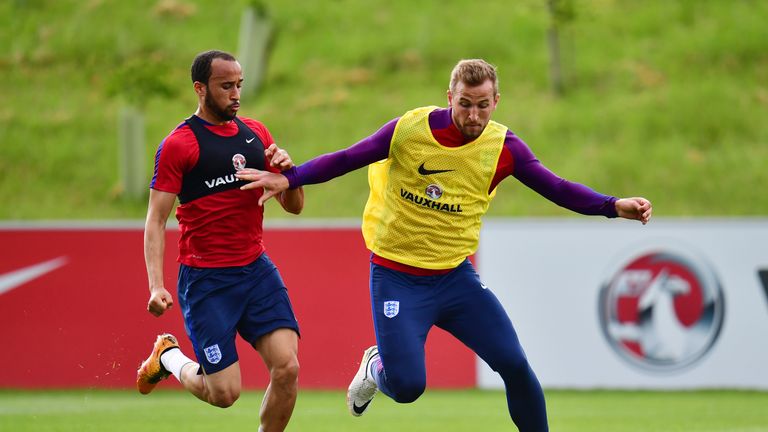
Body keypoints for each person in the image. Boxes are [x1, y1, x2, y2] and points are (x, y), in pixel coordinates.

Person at [235, 59, 652, 431]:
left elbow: (557, 188)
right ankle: (375, 365)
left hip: (456, 279)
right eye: (465, 103)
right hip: (396, 277)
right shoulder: (409, 130)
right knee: (409, 386)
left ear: (497, 101)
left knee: (516, 365)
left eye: (483, 104)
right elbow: (348, 157)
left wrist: (614, 206)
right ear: (448, 96)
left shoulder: (505, 148)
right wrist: (290, 178)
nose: (473, 114)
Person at [137, 49, 304, 432]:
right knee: (224, 393)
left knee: (288, 368)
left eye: (239, 85)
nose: (235, 94)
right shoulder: (180, 145)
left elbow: (293, 206)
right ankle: (169, 358)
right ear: (200, 89)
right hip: (207, 281)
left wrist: (288, 172)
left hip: (255, 271)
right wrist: (156, 285)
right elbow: (155, 219)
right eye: (225, 86)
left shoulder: (256, 134)